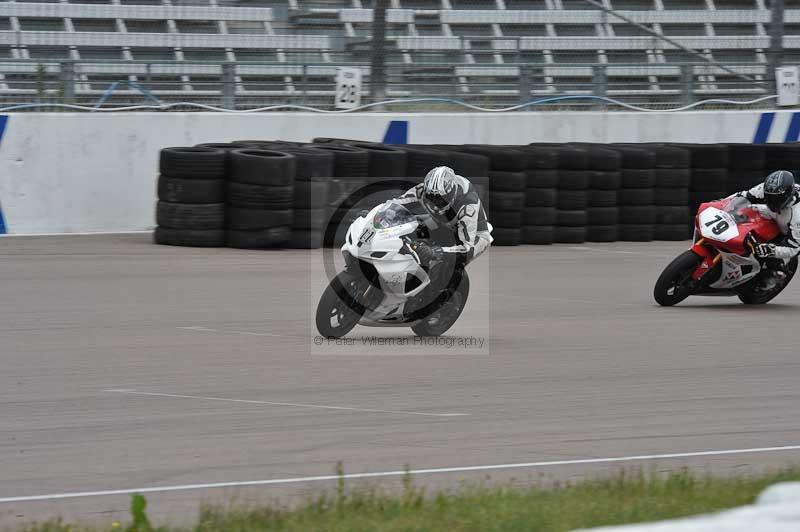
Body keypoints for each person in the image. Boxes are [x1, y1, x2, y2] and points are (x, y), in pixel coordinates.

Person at [393, 166, 493, 304]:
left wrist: (435, 251)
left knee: (450, 261)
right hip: (442, 223)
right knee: (409, 226)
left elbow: (465, 247)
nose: (434, 203)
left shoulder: (468, 204)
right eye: (431, 198)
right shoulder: (423, 190)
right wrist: (372, 215)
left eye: (440, 199)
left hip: (473, 237)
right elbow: (395, 204)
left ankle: (437, 303)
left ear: (451, 194)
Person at [730, 169, 800, 260]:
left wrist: (770, 250)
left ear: (787, 196)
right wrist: (724, 202)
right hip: (777, 214)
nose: (771, 201)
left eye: (776, 199)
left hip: (791, 228)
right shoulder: (768, 188)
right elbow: (743, 195)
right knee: (749, 208)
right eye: (769, 197)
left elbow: (795, 248)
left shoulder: (797, 215)